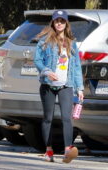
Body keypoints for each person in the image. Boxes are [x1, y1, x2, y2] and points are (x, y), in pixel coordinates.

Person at [34, 10, 84, 163]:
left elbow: (76, 67)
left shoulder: (71, 42)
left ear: (66, 23)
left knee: (66, 118)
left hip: (66, 85)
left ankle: (68, 150)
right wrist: (47, 72)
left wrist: (79, 88)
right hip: (48, 85)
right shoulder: (45, 41)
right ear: (53, 23)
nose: (59, 23)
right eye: (57, 21)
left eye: (62, 21)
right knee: (48, 118)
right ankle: (49, 150)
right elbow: (38, 61)